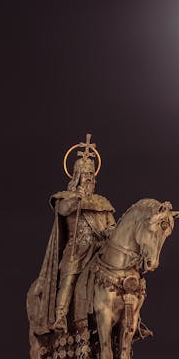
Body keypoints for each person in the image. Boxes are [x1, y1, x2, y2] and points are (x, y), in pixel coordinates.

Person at [31, 134, 115, 334]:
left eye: (91, 174)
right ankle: (60, 316)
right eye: (85, 174)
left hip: (98, 249)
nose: (89, 178)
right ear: (76, 175)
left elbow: (111, 226)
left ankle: (130, 320)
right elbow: (62, 210)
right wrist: (75, 200)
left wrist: (111, 233)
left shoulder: (102, 202)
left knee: (121, 276)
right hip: (76, 249)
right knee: (69, 276)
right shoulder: (66, 199)